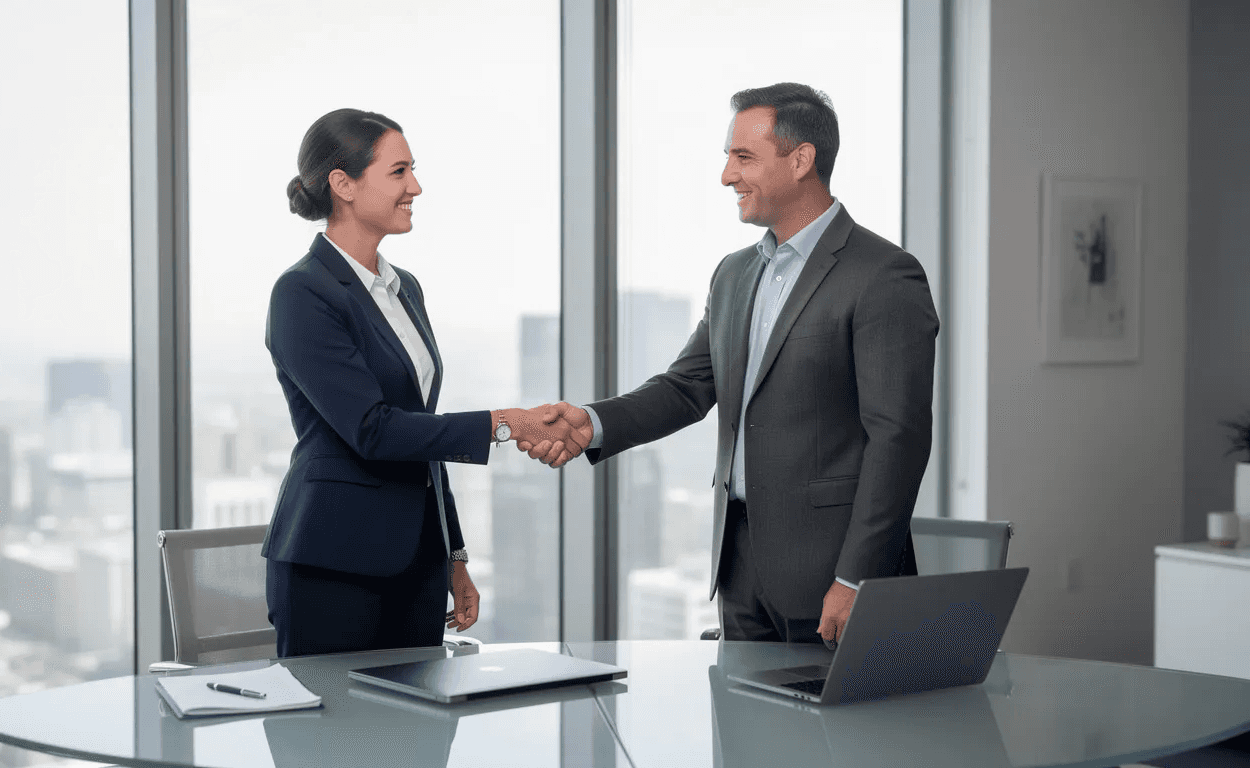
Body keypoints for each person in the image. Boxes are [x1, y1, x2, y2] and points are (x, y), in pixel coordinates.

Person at [520, 83, 938, 646]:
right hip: (739, 567)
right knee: (741, 708)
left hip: (834, 575)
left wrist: (855, 576)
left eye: (743, 157)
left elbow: (899, 439)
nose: (726, 176)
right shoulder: (734, 273)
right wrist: (589, 423)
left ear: (801, 160)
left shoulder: (883, 274)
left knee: (834, 711)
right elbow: (685, 388)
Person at [263, 108, 591, 657]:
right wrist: (506, 424)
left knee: (420, 713)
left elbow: (421, 434)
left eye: (413, 170)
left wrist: (453, 556)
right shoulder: (302, 292)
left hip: (416, 566)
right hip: (334, 564)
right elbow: (373, 430)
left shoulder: (404, 289)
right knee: (334, 718)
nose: (415, 187)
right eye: (399, 172)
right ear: (343, 184)